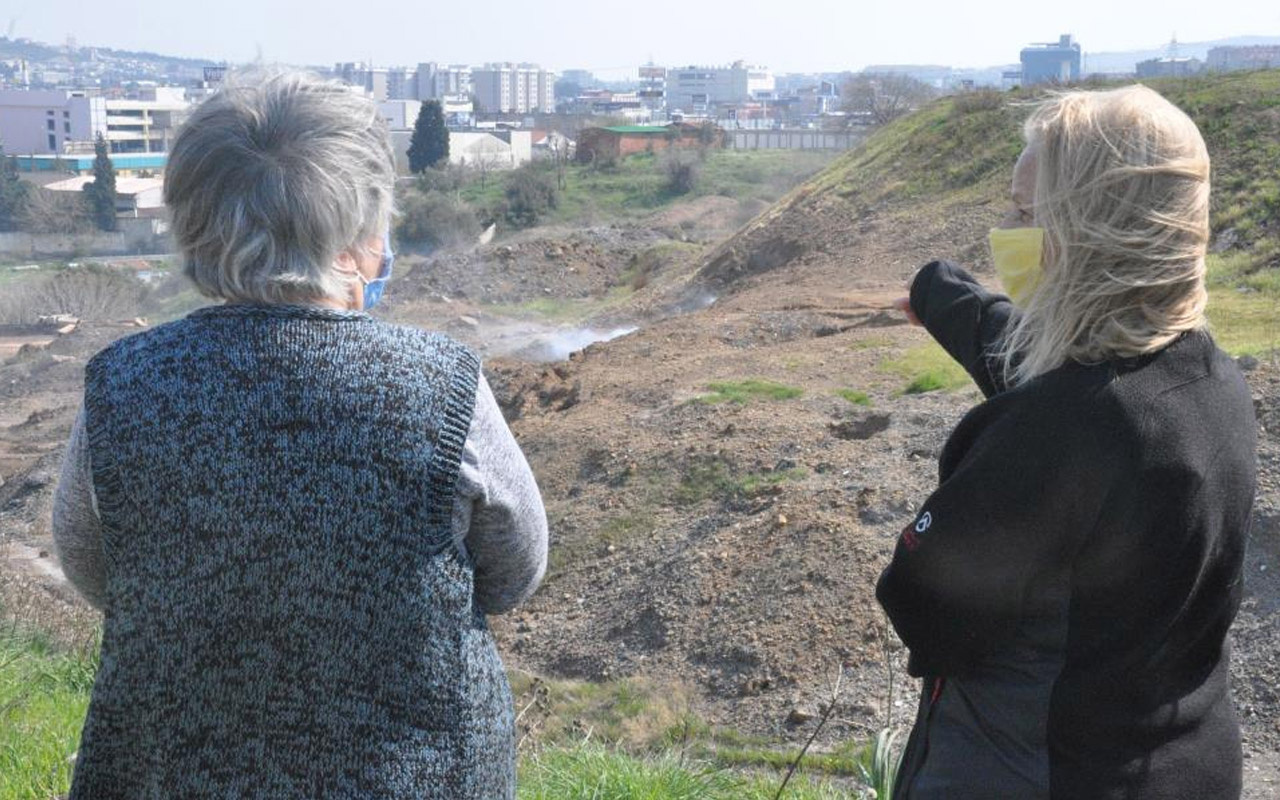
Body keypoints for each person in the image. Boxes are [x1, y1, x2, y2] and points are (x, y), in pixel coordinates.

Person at [50, 70, 547, 799]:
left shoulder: (119, 386)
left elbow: (95, 569)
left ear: (191, 220)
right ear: (361, 227)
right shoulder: (442, 386)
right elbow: (514, 572)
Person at [878, 85, 1256, 799]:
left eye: (1026, 213)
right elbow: (1028, 356)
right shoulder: (1210, 383)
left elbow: (921, 605)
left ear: (1092, 231)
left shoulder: (1054, 431)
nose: (1005, 229)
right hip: (1185, 767)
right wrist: (937, 293)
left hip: (1030, 772)